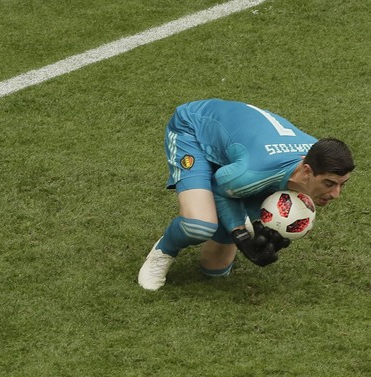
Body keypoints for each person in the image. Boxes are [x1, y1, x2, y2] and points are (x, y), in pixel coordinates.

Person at [138, 99, 355, 290]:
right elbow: (220, 187)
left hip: (240, 156)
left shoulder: (316, 155)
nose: (336, 194)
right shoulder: (254, 172)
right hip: (192, 130)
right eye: (329, 184)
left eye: (342, 185)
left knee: (214, 269)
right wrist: (240, 234)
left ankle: (232, 211)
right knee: (200, 225)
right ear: (307, 172)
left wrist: (259, 222)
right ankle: (163, 251)